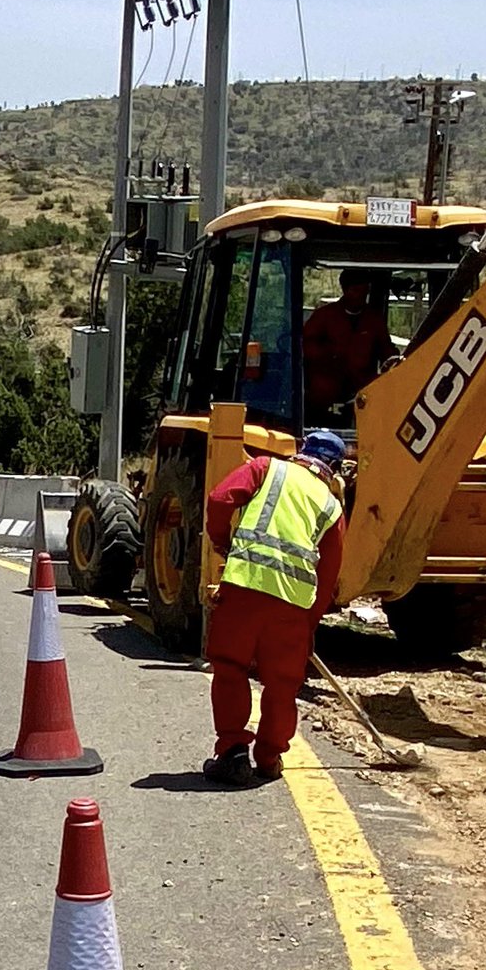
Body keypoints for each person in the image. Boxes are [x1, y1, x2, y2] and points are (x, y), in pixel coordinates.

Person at [201, 430, 348, 787]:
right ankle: (269, 757)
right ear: (333, 468)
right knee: (282, 683)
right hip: (293, 606)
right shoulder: (332, 507)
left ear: (302, 452)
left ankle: (233, 752)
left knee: (231, 669)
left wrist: (224, 542)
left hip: (245, 587)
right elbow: (328, 576)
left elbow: (220, 499)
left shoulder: (266, 468)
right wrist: (308, 625)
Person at [301, 269, 394, 425]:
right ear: (345, 290)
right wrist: (330, 356)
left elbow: (386, 351)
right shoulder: (324, 316)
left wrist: (396, 364)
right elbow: (305, 346)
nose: (361, 296)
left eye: (365, 291)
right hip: (323, 396)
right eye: (357, 290)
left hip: (363, 395)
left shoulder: (373, 320)